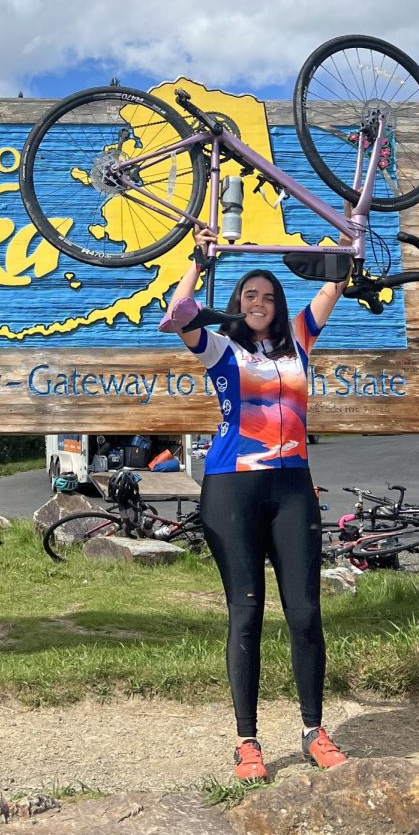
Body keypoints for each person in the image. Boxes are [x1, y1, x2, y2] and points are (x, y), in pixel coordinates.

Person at [158, 226, 349, 783]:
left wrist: (343, 228)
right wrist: (198, 258)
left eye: (268, 296)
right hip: (233, 488)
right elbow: (178, 310)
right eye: (250, 297)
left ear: (279, 304)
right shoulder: (220, 347)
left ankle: (314, 730)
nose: (260, 304)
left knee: (306, 613)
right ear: (238, 304)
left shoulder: (299, 341)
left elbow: (334, 282)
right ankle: (248, 743)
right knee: (246, 615)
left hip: (292, 487)